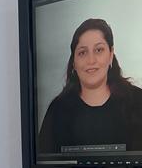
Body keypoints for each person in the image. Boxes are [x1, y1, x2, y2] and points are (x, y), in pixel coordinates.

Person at [37, 18, 142, 154]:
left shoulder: (138, 101)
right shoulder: (57, 110)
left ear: (111, 55)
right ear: (74, 62)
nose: (91, 60)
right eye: (82, 52)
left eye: (98, 50)